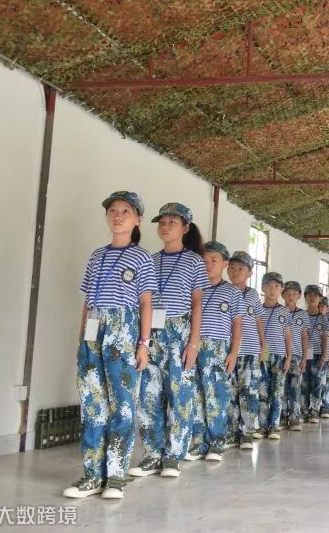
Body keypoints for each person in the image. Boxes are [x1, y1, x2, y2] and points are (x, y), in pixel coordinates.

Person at [64, 191, 155, 500]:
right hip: (93, 331)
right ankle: (92, 475)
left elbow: (146, 304)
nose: (118, 215)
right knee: (92, 405)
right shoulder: (96, 256)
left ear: (137, 219)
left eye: (126, 210)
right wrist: (82, 341)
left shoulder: (141, 257)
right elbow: (87, 302)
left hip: (124, 330)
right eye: (113, 210)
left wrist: (143, 344)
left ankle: (115, 477)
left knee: (123, 404)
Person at [130, 203, 208, 480]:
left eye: (172, 222)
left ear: (185, 228)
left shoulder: (195, 261)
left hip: (180, 333)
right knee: (149, 396)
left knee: (179, 396)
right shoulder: (150, 260)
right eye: (162, 222)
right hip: (152, 334)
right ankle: (152, 455)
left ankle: (173, 456)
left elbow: (197, 304)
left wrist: (193, 343)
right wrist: (142, 340)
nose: (165, 227)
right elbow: (143, 301)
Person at [190, 241, 243, 462]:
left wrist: (233, 353)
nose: (208, 264)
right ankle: (198, 442)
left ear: (225, 264)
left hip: (219, 348)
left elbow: (237, 325)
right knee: (195, 395)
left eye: (214, 260)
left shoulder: (232, 292)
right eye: (204, 260)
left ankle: (217, 443)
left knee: (216, 396)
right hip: (193, 346)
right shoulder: (194, 288)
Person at [226, 251, 266, 450]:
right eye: (232, 268)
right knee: (230, 391)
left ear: (249, 273)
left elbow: (258, 320)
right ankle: (232, 432)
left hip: (250, 350)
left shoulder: (253, 295)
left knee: (249, 391)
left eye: (240, 269)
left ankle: (247, 433)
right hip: (228, 351)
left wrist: (263, 343)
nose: (235, 272)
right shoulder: (223, 290)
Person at [261, 272, 292, 440]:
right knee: (262, 390)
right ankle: (261, 425)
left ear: (281, 290)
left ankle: (274, 426)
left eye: (276, 286)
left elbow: (287, 335)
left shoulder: (285, 311)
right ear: (263, 288)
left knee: (277, 391)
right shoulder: (258, 309)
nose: (272, 289)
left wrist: (289, 357)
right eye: (269, 285)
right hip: (261, 356)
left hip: (279, 356)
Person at [280, 281, 309, 431]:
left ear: (299, 296)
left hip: (296, 355)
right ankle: (282, 416)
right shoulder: (278, 311)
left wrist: (304, 357)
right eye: (288, 293)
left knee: (295, 386)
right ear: (282, 295)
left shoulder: (302, 314)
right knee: (281, 386)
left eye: (294, 294)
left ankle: (294, 417)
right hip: (280, 355)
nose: (291, 296)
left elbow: (304, 336)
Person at [302, 285, 329, 423]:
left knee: (317, 382)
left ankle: (314, 411)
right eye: (309, 295)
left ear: (320, 298)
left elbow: (325, 338)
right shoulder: (301, 315)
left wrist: (324, 356)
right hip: (303, 354)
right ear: (305, 297)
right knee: (304, 383)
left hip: (318, 354)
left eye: (315, 295)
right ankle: (304, 410)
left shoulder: (323, 318)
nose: (312, 297)